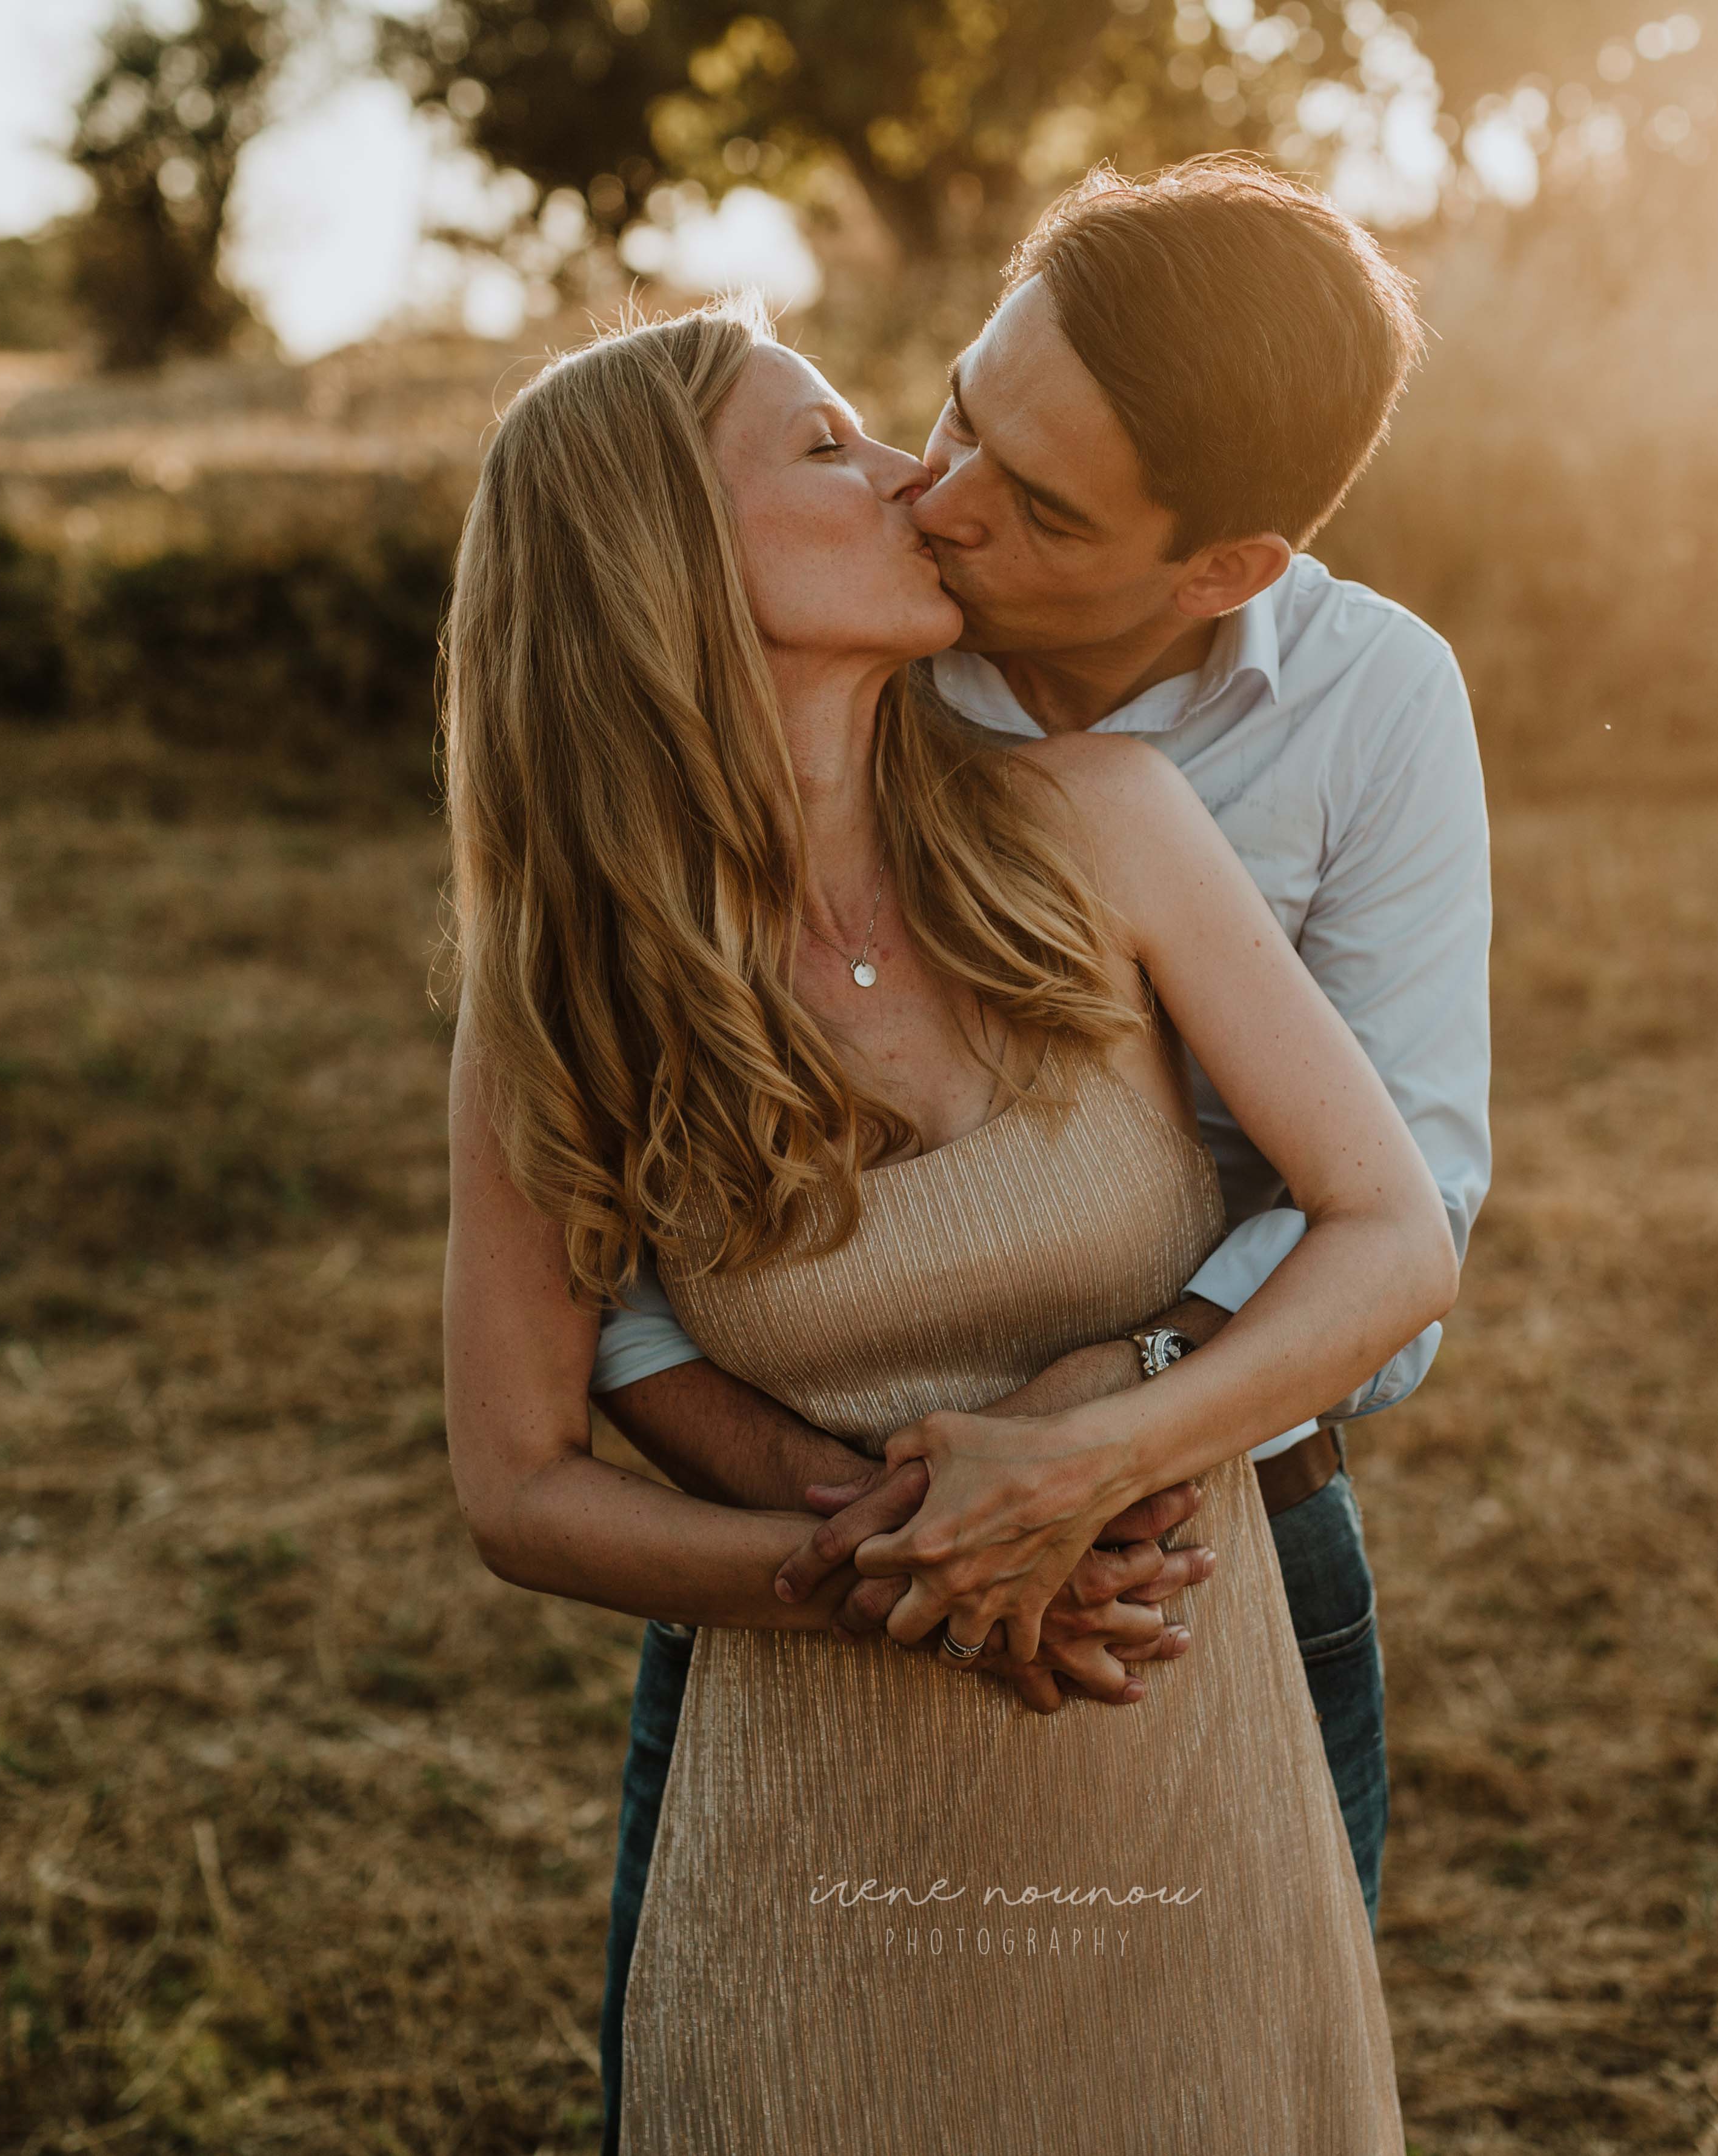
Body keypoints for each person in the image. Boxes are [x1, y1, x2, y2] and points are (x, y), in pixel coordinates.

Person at [438, 289, 1453, 2148]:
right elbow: (515, 1482)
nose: (920, 476)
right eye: (835, 446)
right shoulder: (562, 995)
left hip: (1170, 1690)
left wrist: (1072, 1472)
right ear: (664, 556)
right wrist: (894, 1578)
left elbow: (1401, 1226)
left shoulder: (1103, 822)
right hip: (810, 1763)